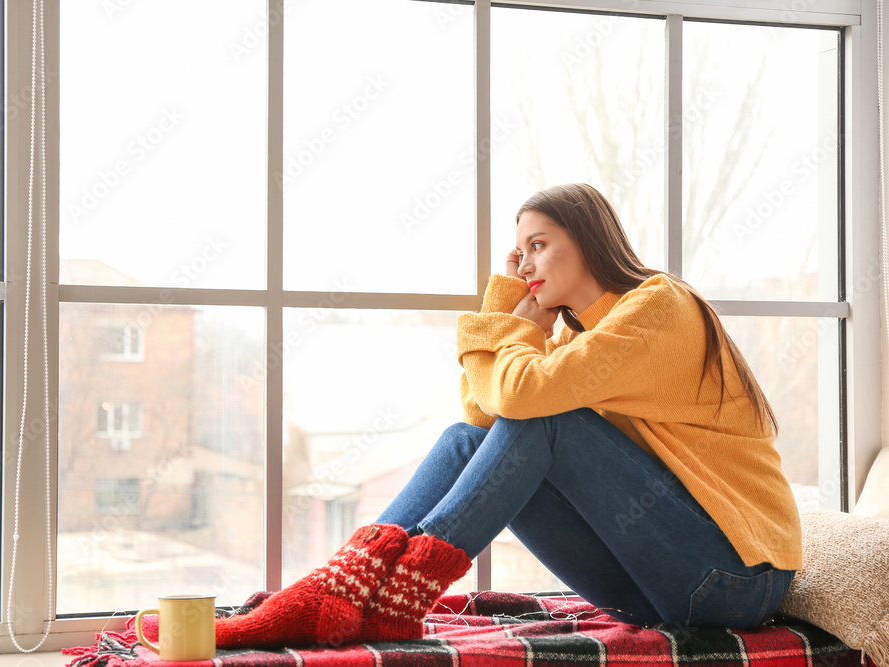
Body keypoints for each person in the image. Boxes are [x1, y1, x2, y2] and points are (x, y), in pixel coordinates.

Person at [213, 183, 802, 650]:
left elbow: (520, 401)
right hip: (656, 585)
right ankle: (344, 584)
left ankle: (391, 596)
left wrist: (513, 327)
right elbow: (485, 412)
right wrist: (509, 313)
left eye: (538, 245)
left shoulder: (658, 307)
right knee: (466, 438)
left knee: (545, 418)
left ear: (590, 240)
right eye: (519, 254)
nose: (524, 265)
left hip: (738, 579)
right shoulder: (574, 342)